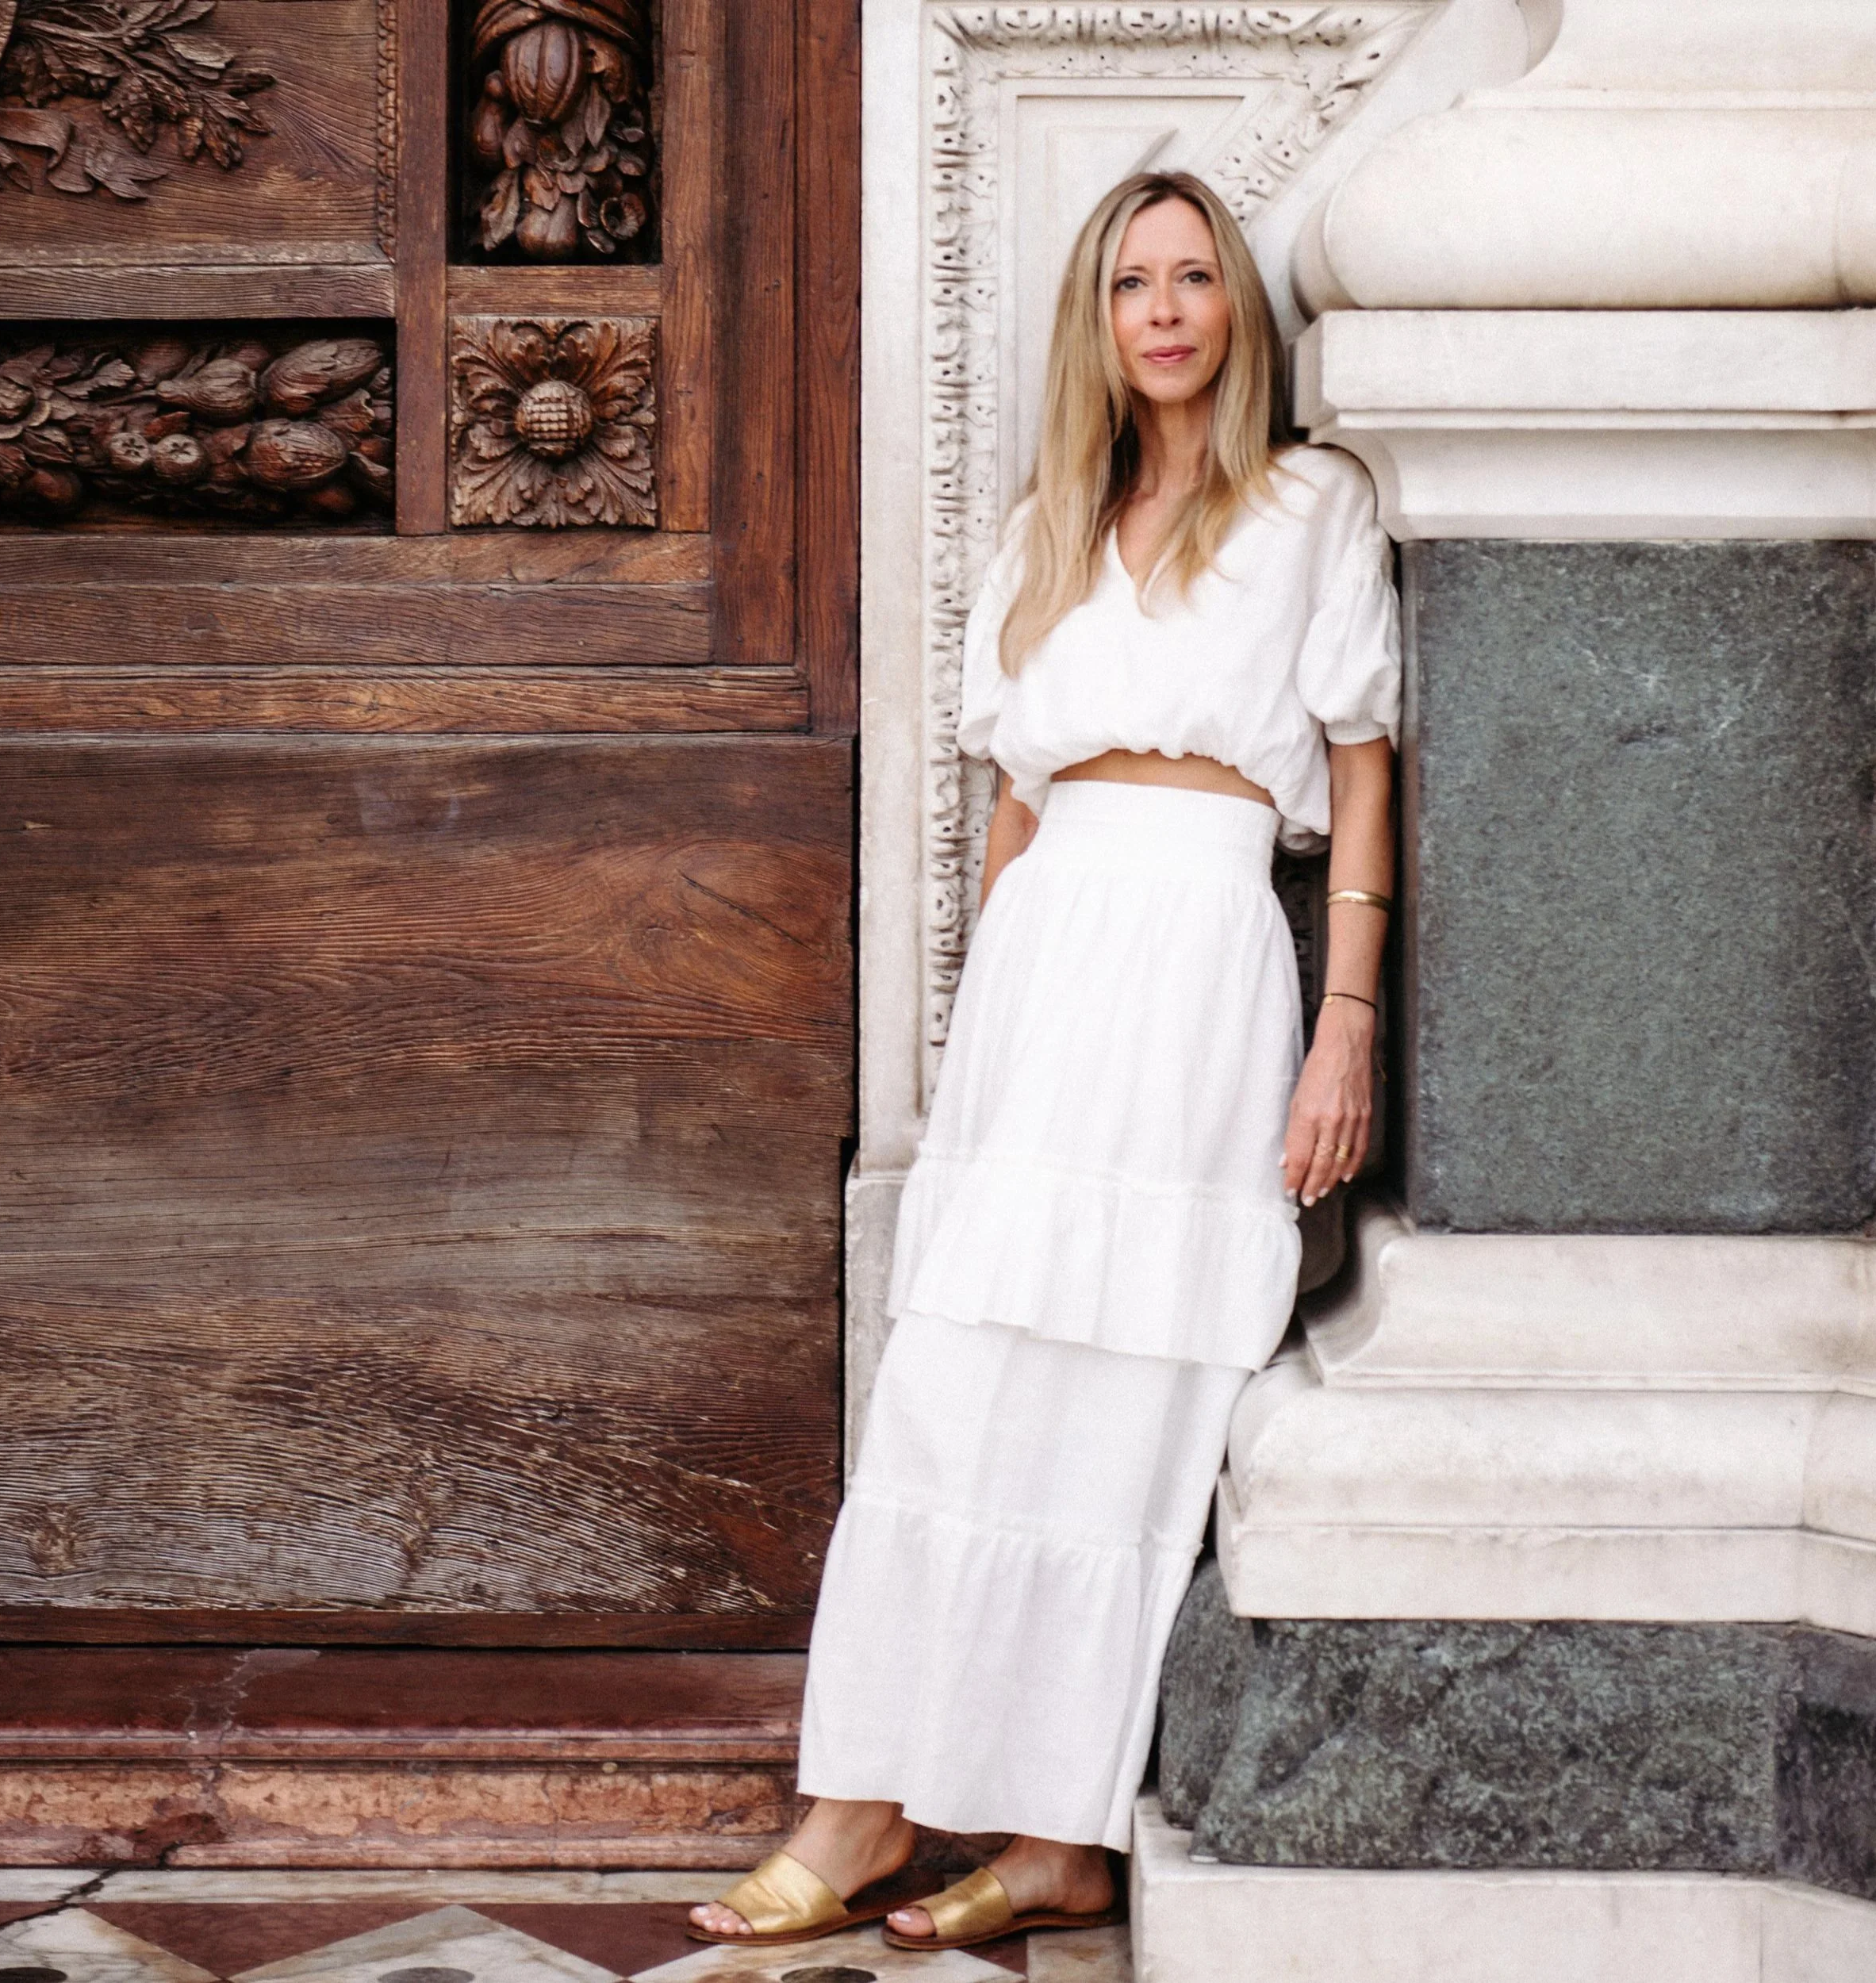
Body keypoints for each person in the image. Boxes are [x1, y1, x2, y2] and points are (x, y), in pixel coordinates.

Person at [688, 169, 1399, 1954]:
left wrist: (1344, 1030)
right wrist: (968, 1040)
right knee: (959, 1378)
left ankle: (1056, 1835)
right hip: (1048, 957)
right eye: (1123, 284)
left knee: (1121, 1408)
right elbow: (1012, 807)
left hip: (1203, 951)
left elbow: (1365, 780)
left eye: (1190, 277)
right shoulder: (1043, 532)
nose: (1160, 310)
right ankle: (859, 1805)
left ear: (1235, 309)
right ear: (1090, 323)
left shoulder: (1311, 509)